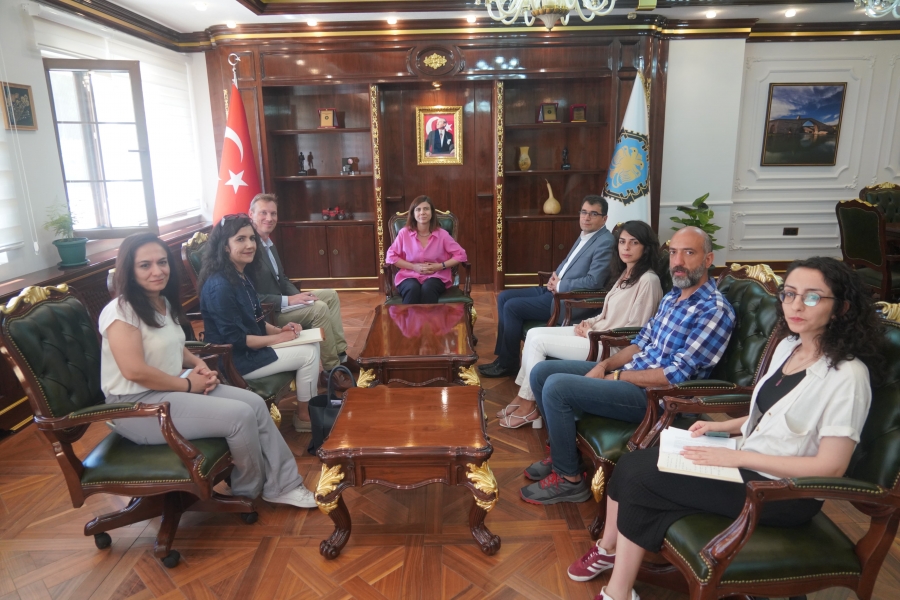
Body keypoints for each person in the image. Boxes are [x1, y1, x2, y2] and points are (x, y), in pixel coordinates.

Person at [568, 257, 883, 600]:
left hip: (782, 492)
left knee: (643, 480)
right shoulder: (790, 347)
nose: (796, 305)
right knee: (632, 463)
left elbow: (831, 467)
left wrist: (735, 458)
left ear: (841, 308)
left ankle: (617, 590)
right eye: (790, 294)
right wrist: (723, 428)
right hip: (747, 462)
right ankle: (615, 570)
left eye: (812, 297)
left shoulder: (847, 376)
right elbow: (768, 414)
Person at [519, 226, 735, 505]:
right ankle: (565, 455)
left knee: (557, 387)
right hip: (631, 376)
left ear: (708, 259)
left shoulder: (713, 309)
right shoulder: (674, 297)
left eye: (689, 253)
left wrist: (618, 376)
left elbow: (675, 375)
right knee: (541, 373)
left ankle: (568, 479)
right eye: (673, 253)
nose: (678, 261)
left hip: (656, 398)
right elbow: (641, 342)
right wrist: (605, 365)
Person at [99, 233, 317, 508]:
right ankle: (247, 491)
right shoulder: (121, 311)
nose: (157, 271)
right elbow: (134, 371)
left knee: (254, 403)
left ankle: (283, 485)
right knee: (239, 416)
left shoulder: (161, 302)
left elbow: (174, 346)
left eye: (162, 262)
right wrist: (189, 385)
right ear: (129, 271)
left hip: (167, 390)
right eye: (145, 265)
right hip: (136, 407)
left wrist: (198, 364)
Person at [497, 221, 663, 429]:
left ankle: (529, 406)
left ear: (646, 247)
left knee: (539, 343)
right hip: (596, 333)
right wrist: (589, 322)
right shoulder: (626, 273)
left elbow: (636, 332)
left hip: (610, 346)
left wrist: (591, 332)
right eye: (622, 242)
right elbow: (607, 313)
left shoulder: (648, 281)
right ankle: (523, 397)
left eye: (634, 242)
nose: (626, 248)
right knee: (533, 333)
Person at [199, 214, 321, 433]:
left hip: (249, 351)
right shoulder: (220, 286)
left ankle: (307, 410)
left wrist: (280, 330)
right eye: (240, 239)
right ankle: (304, 417)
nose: (250, 245)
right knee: (309, 354)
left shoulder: (240, 275)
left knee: (311, 342)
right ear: (225, 246)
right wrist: (279, 338)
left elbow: (256, 319)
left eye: (252, 238)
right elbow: (236, 340)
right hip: (234, 361)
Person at [479, 196, 616, 379]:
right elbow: (568, 262)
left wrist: (560, 284)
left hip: (567, 299)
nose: (586, 217)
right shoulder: (586, 234)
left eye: (593, 214)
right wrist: (554, 276)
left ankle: (507, 364)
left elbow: (594, 281)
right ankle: (504, 358)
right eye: (584, 212)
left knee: (512, 307)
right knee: (504, 297)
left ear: (604, 218)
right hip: (555, 289)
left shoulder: (605, 241)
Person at [248, 193, 358, 390]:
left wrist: (300, 296)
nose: (269, 218)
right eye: (263, 213)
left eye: (273, 213)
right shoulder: (249, 249)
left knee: (330, 295)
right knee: (319, 309)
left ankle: (341, 355)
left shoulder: (268, 244)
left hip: (282, 302)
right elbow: (251, 297)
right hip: (268, 314)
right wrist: (289, 300)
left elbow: (282, 279)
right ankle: (330, 370)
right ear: (251, 215)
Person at [385, 195, 468, 304]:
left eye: (426, 209)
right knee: (412, 288)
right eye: (418, 209)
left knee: (428, 288)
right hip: (408, 275)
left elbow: (461, 255)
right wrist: (413, 267)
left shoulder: (442, 234)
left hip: (436, 276)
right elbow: (391, 256)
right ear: (413, 213)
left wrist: (440, 266)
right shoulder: (404, 233)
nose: (422, 212)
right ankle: (409, 316)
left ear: (432, 212)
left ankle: (430, 316)